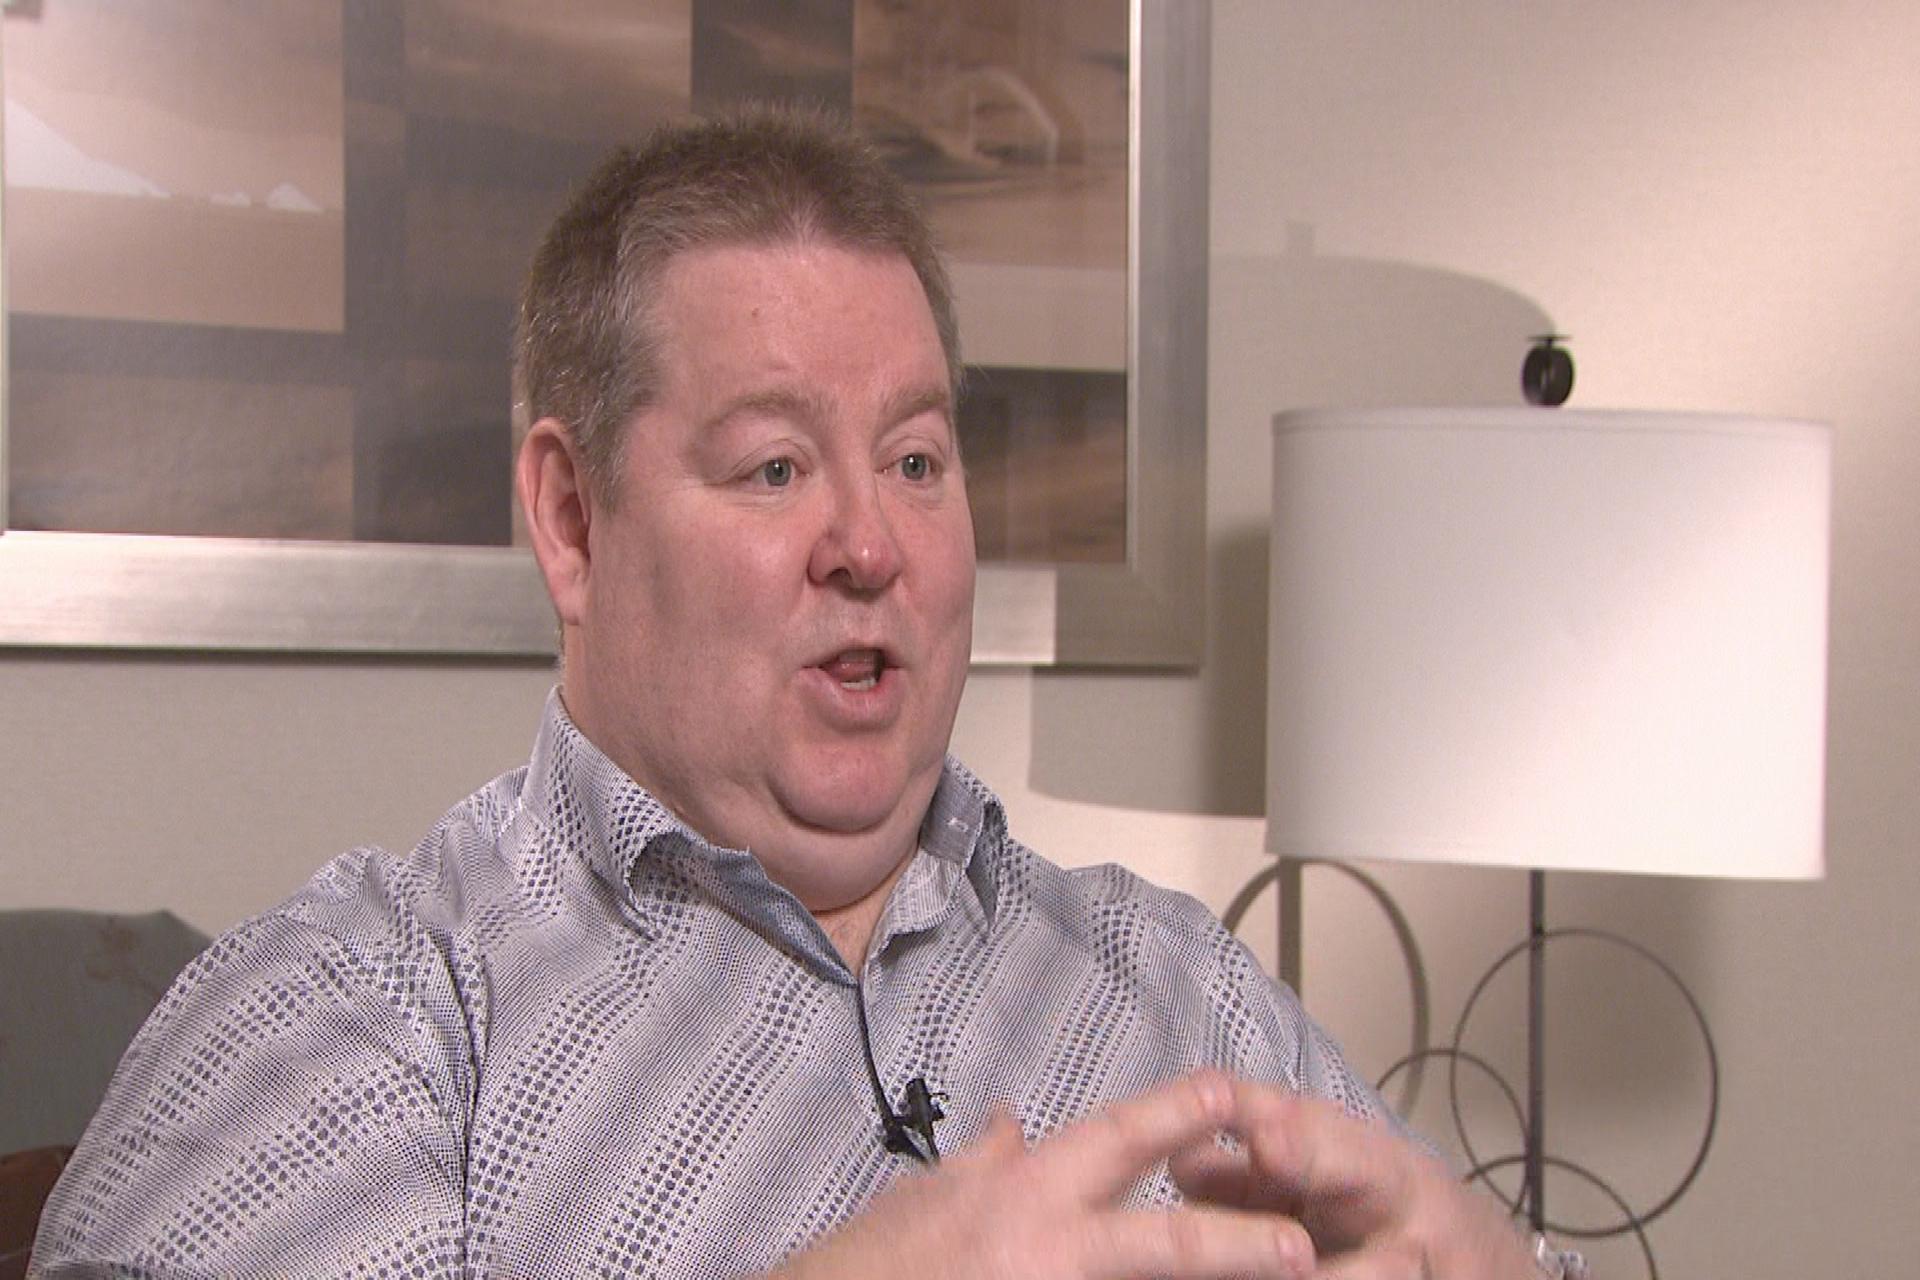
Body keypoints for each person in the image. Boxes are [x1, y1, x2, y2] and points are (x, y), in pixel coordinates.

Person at [31, 111, 1553, 1279]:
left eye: (916, 461)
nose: (870, 545)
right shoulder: (360, 1016)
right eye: (773, 467)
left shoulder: (1183, 992)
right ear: (572, 520)